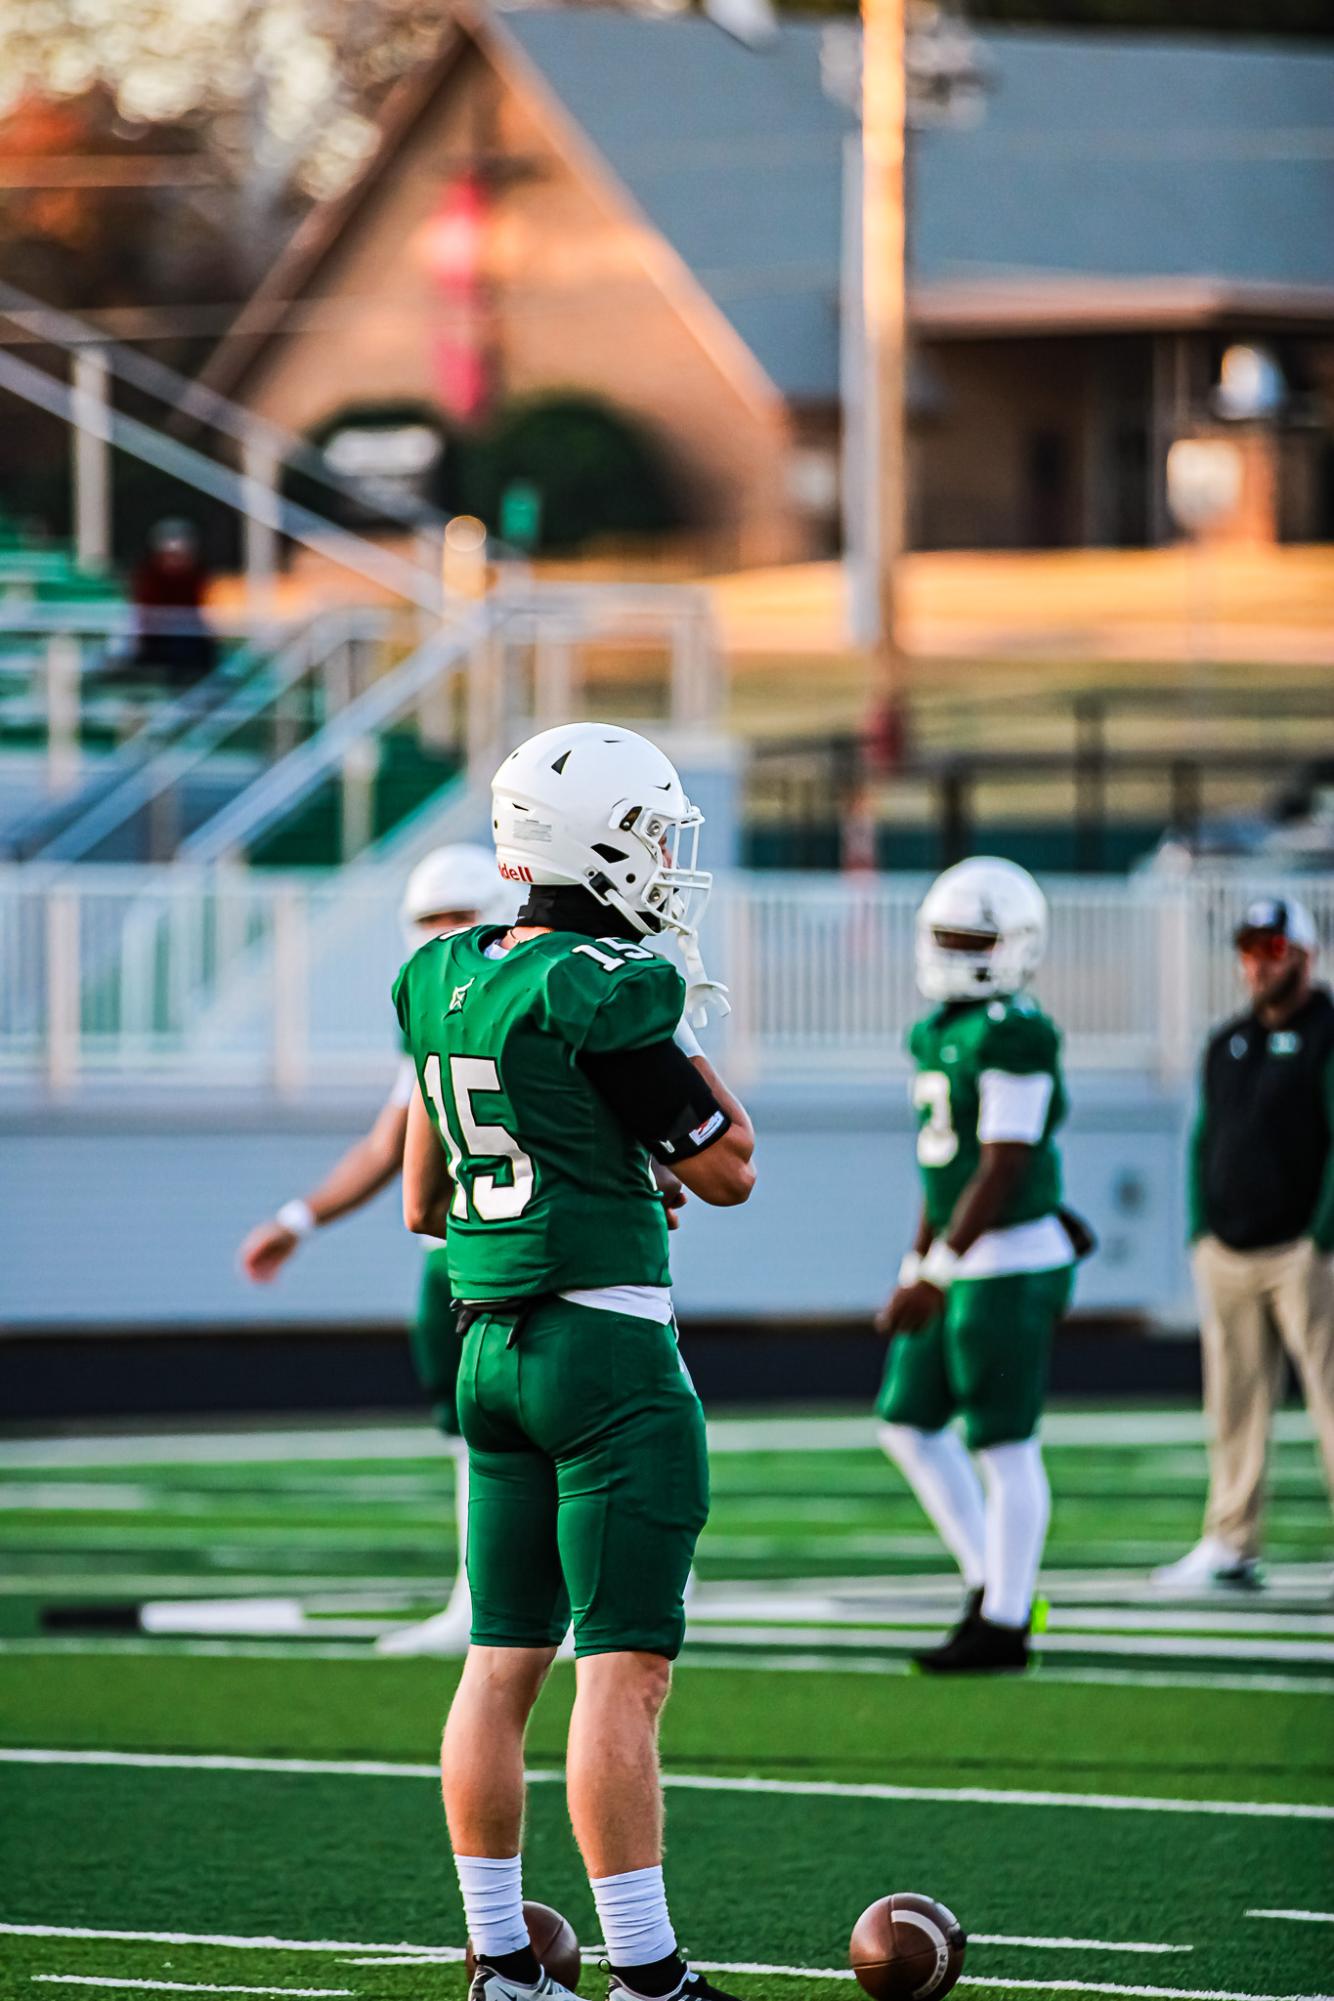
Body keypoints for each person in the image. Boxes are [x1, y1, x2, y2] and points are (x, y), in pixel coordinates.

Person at [396, 721, 755, 2001]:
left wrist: (597, 1166)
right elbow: (730, 1168)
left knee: (499, 1665)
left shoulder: (437, 976)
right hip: (604, 1356)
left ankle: (501, 1961)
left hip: (484, 1349)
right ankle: (649, 1977)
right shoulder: (599, 983)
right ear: (598, 838)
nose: (663, 858)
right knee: (622, 1669)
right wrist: (658, 1130)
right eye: (651, 832)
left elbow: (424, 1204)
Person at [238, 843, 512, 1655]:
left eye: (459, 916)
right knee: (487, 1430)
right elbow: (396, 1140)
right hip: (470, 1242)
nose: (444, 935)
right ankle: (490, 1599)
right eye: (429, 922)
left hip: (530, 1244)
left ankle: (604, 1581)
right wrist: (301, 1216)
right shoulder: (440, 1006)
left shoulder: (540, 990)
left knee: (560, 1421)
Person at [875, 857, 1084, 1675]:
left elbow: (1001, 1163)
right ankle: (992, 1581)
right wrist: (918, 1259)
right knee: (908, 1420)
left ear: (1016, 945)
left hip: (1010, 1259)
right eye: (950, 936)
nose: (958, 951)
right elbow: (946, 1167)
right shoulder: (937, 1030)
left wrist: (938, 1265)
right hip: (961, 1257)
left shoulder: (1015, 1030)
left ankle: (1005, 1620)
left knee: (1003, 1443)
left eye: (976, 937)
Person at [1154, 895, 1334, 1592]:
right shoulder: (1227, 1040)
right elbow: (1206, 1138)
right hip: (1228, 1250)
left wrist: (1322, 1236)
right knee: (1231, 1404)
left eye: (1272, 948)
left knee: (1329, 1399)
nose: (1258, 963)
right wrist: (1201, 1227)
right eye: (1250, 948)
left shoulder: (1326, 1032)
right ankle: (1230, 1540)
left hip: (1302, 1252)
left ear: (1303, 954)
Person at [130, 518, 217, 687]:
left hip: (191, 647)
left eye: (181, 556)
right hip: (157, 646)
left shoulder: (197, 577)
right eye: (170, 556)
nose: (175, 562)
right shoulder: (148, 578)